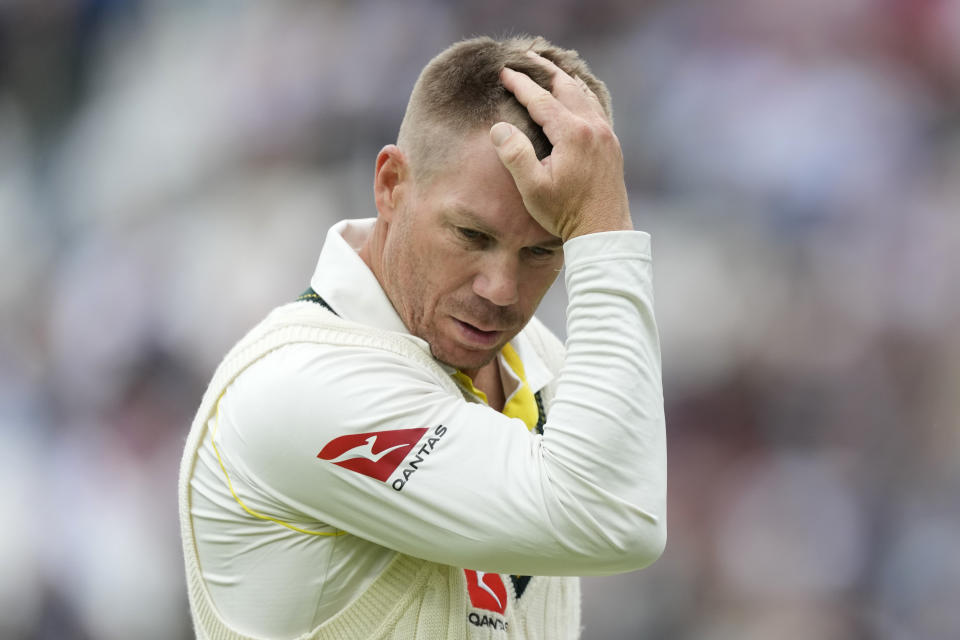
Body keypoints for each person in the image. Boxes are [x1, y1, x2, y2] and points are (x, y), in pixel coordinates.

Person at [178, 35, 666, 640]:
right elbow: (617, 517)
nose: (500, 289)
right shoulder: (298, 387)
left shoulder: (546, 363)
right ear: (390, 185)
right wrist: (603, 227)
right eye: (471, 234)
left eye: (543, 250)